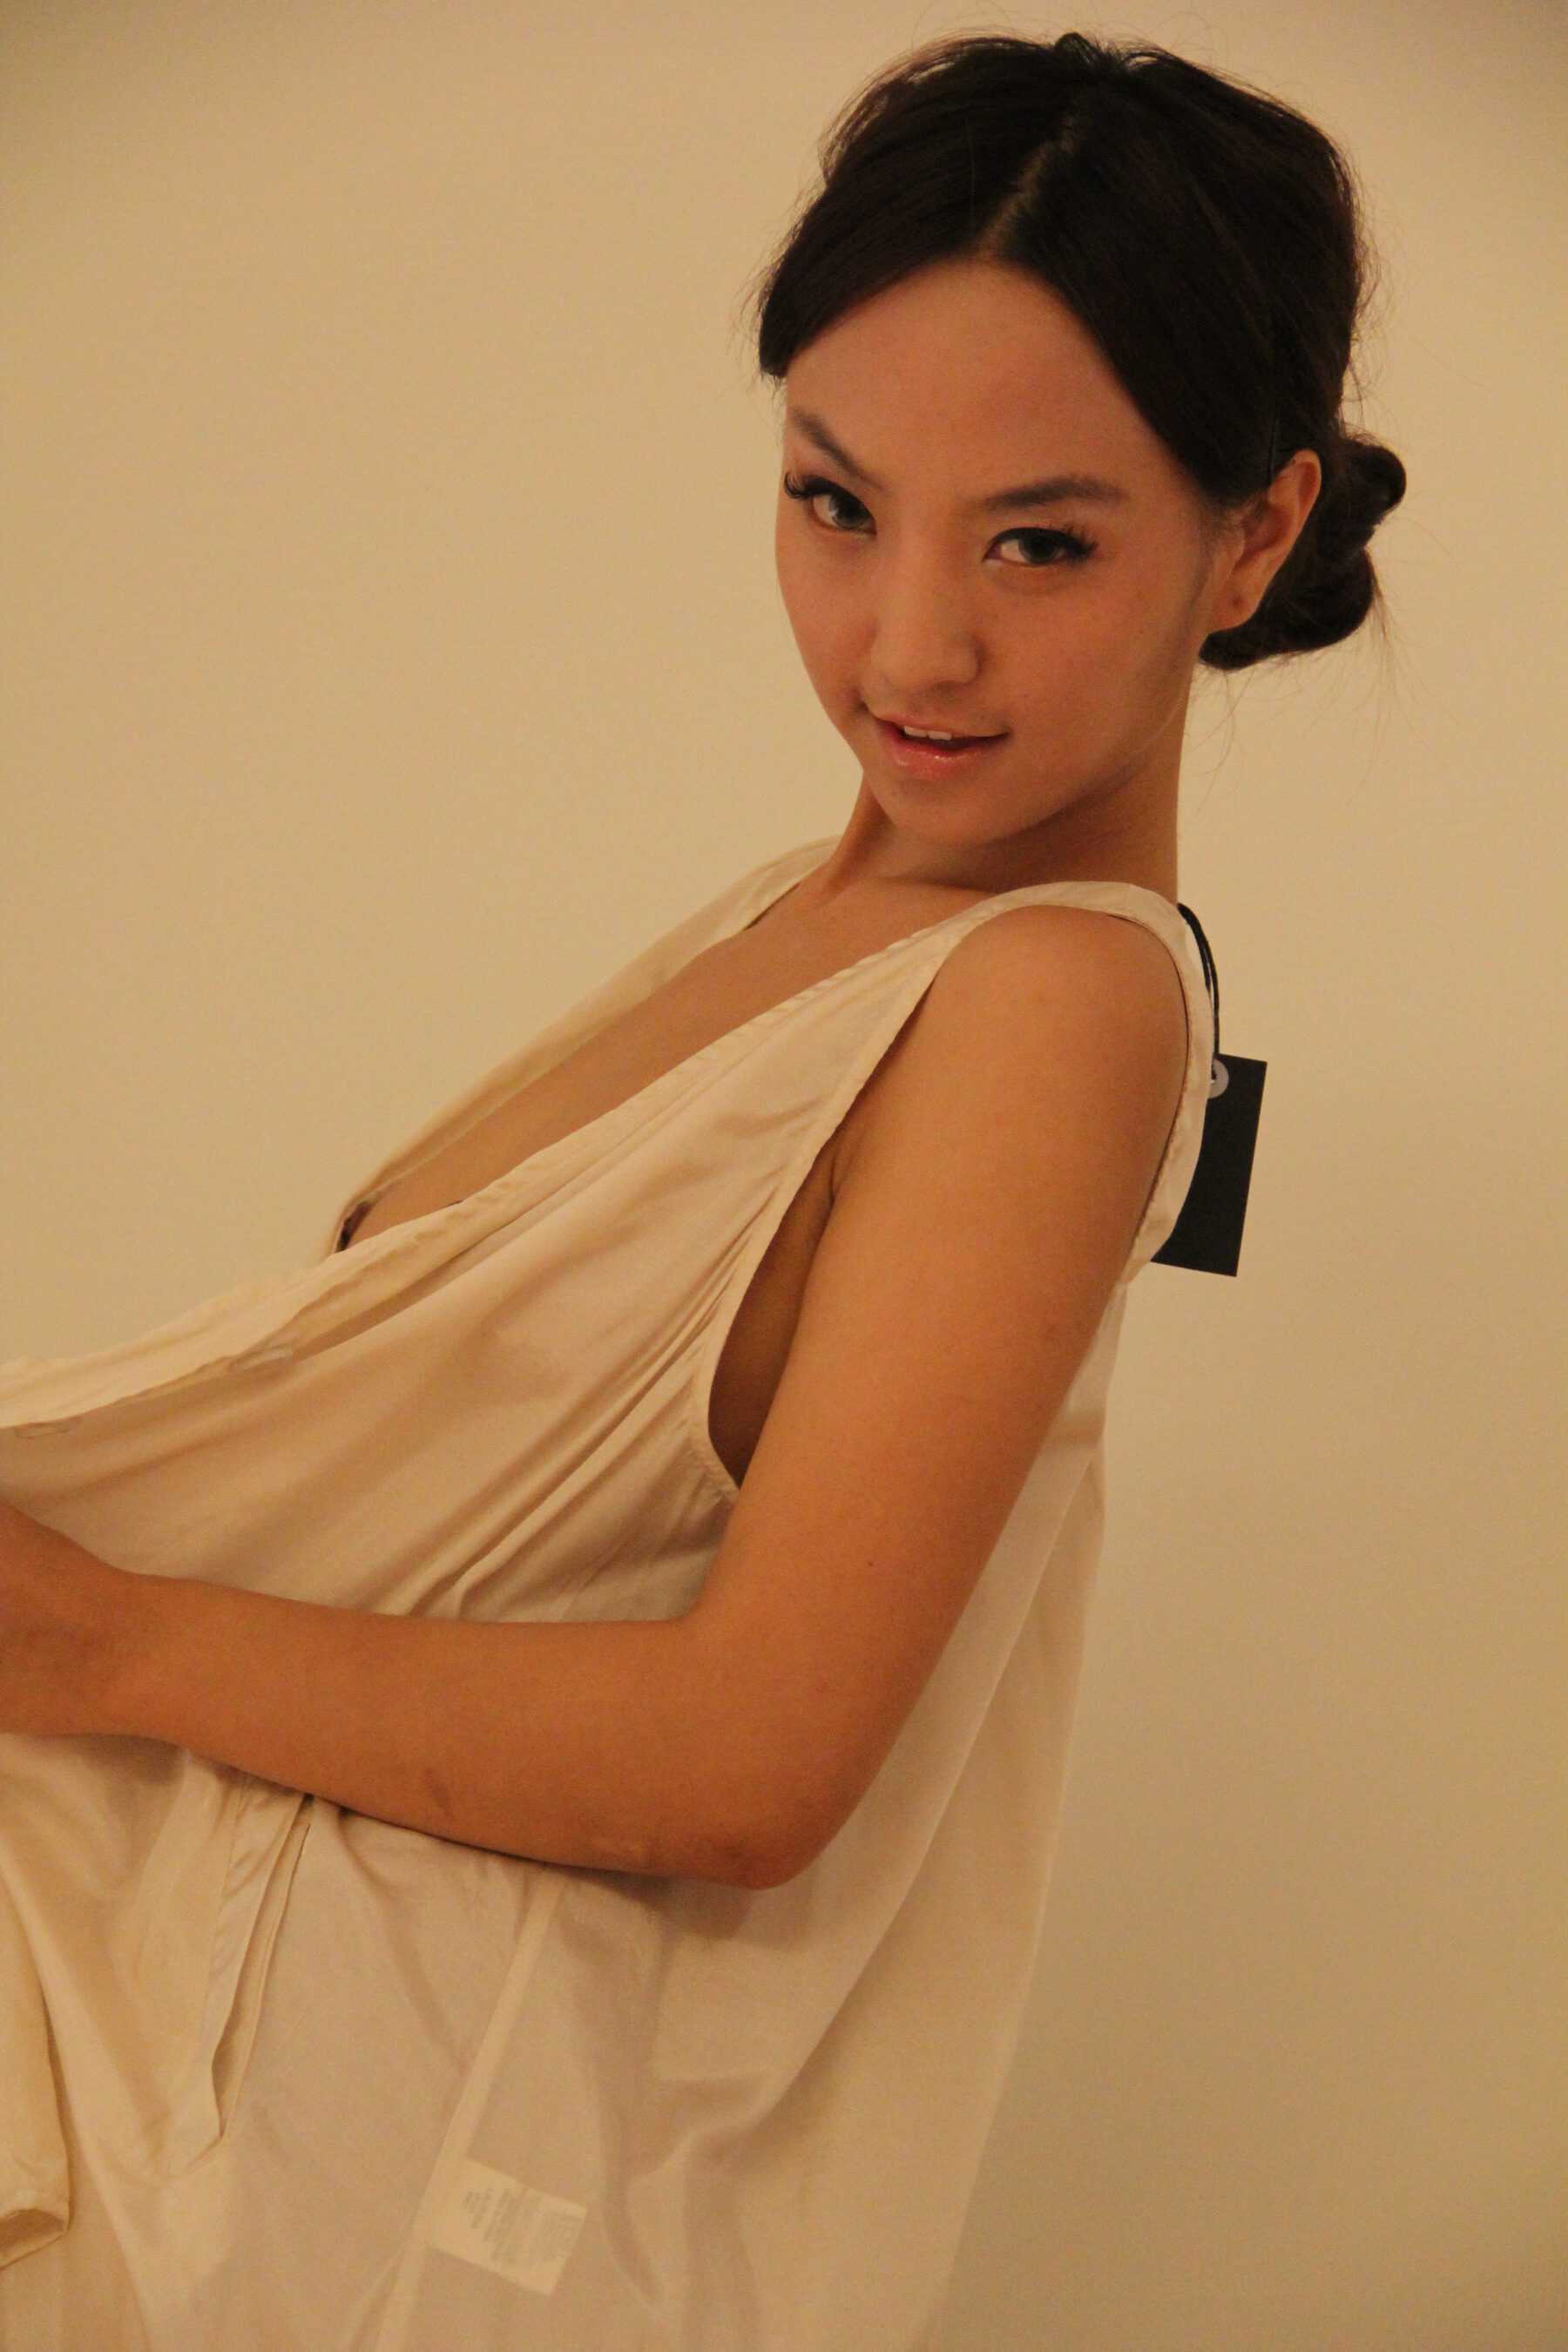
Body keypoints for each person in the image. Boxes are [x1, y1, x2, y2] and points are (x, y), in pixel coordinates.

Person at [0, 30, 1404, 2349]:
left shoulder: (1059, 1000)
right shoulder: (816, 923)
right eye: (837, 503)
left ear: (1252, 533)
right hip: (233, 2100)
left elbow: (756, 1757)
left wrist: (97, 1644)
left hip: (373, 2212)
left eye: (1039, 542)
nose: (909, 642)